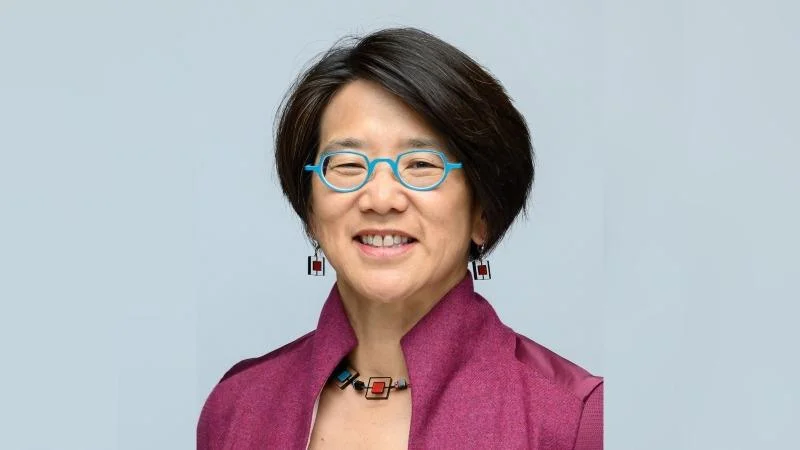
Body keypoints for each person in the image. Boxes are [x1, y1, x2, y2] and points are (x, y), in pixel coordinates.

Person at [197, 27, 603, 450]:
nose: (381, 198)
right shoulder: (237, 409)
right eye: (348, 165)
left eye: (421, 164)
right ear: (311, 212)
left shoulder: (571, 419)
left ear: (481, 212)